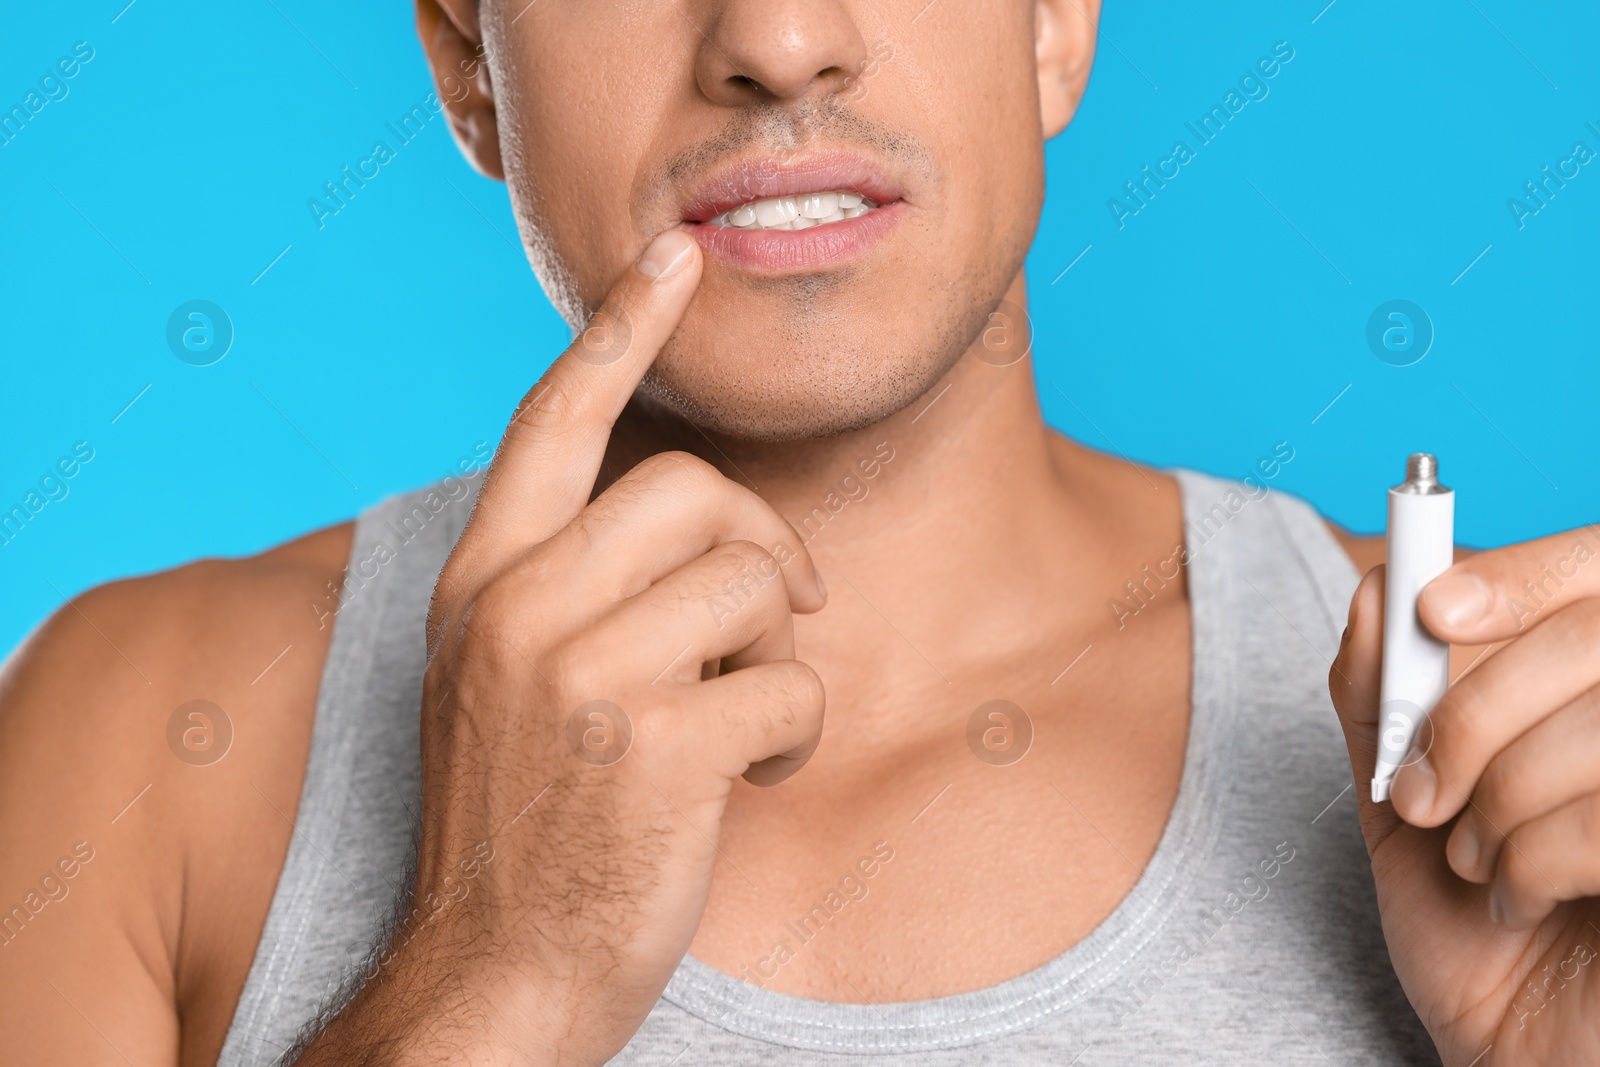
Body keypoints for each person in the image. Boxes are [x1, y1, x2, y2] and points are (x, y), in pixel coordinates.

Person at [2, 1, 1597, 1063]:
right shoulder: (136, 739)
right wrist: (489, 975)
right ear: (467, 64)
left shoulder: (1493, 740)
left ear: (1053, 24)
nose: (777, 40)